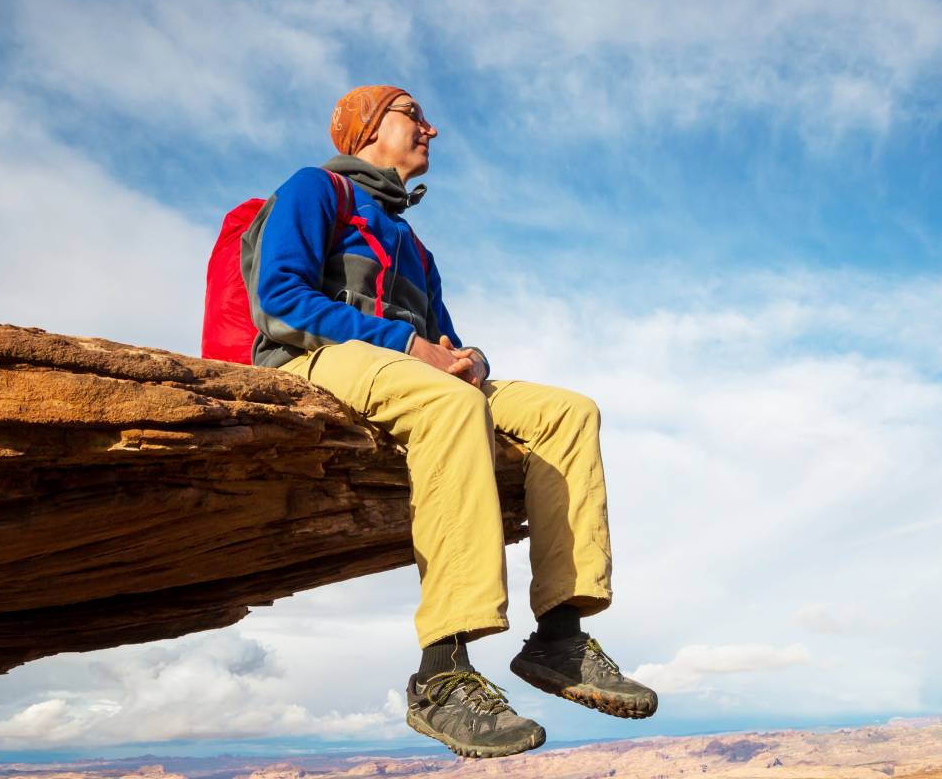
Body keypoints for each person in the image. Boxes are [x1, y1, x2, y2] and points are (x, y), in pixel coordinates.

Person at [241, 85, 657, 759]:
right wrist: (413, 349)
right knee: (451, 402)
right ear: (368, 128)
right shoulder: (314, 189)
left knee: (567, 412)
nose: (431, 129)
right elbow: (282, 299)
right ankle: (442, 674)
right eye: (414, 115)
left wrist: (471, 358)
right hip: (311, 363)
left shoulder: (411, 243)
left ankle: (559, 637)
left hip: (404, 374)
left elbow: (447, 342)